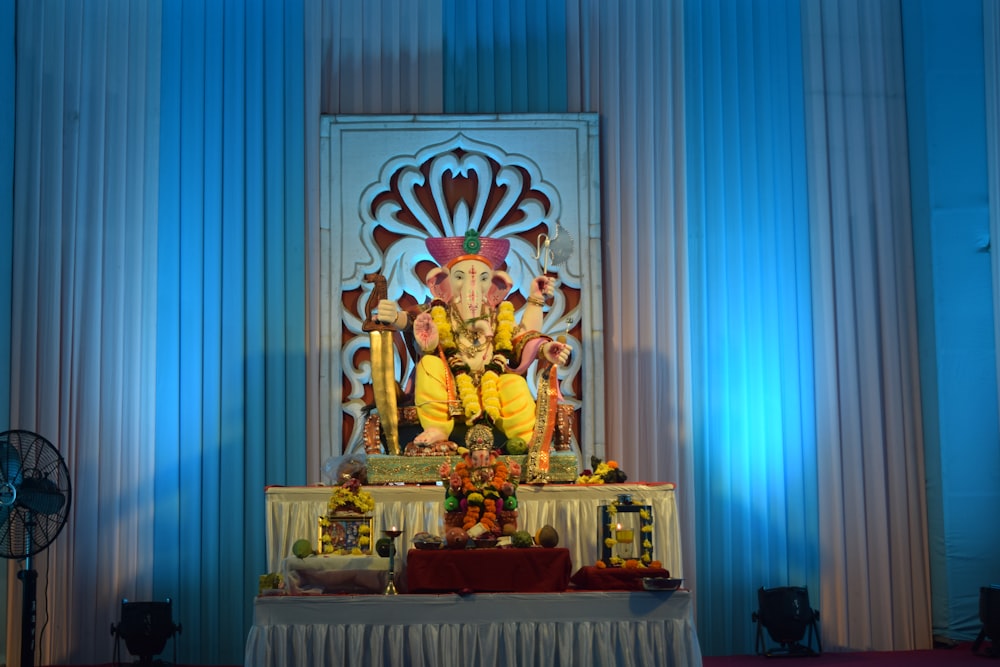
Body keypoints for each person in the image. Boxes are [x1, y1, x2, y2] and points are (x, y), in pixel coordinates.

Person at [375, 230, 571, 482]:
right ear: (440, 283)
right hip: (450, 386)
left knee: (513, 383)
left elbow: (523, 338)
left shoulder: (499, 317)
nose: (472, 286)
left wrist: (537, 311)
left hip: (493, 386)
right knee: (430, 364)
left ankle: (524, 438)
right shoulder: (437, 313)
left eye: (482, 278)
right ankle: (437, 428)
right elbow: (409, 320)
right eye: (460, 277)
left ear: (497, 286)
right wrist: (394, 315)